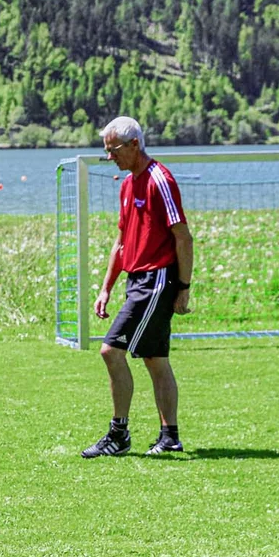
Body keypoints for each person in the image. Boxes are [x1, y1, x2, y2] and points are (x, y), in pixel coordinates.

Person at [83, 116, 192, 458]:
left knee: (110, 351)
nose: (110, 157)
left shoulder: (161, 180)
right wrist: (106, 288)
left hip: (156, 279)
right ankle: (170, 436)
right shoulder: (128, 185)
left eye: (113, 150)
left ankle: (119, 435)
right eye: (106, 152)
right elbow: (121, 242)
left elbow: (183, 237)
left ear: (134, 145)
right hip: (136, 281)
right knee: (155, 359)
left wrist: (184, 287)